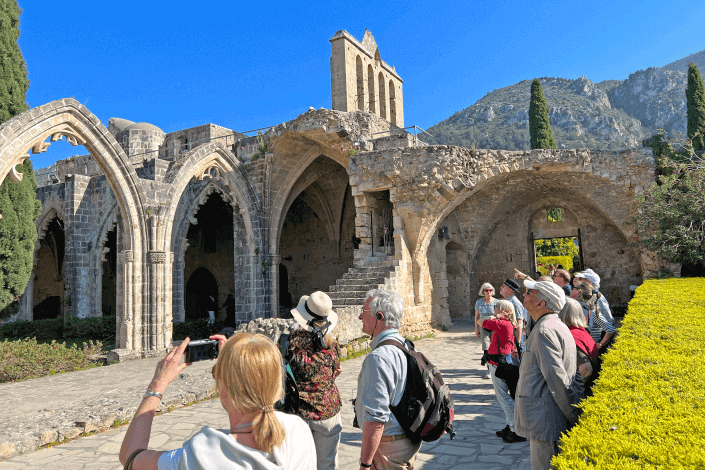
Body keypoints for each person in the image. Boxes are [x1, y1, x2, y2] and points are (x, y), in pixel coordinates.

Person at [119, 333, 316, 470]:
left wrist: (158, 384)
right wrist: (237, 363)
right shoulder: (298, 430)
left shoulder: (202, 455)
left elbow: (131, 458)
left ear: (224, 390)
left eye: (217, 376)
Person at [515, 280, 581, 470]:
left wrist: (574, 416)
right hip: (547, 419)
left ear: (540, 303)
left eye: (529, 293)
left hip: (547, 421)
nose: (524, 295)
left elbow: (557, 379)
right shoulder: (554, 325)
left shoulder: (545, 330)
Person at [355, 289, 421, 470]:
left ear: (379, 316)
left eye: (363, 311)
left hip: (388, 448)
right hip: (406, 442)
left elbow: (376, 420)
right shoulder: (405, 344)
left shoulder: (378, 358)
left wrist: (365, 464)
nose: (360, 317)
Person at [288, 291, 343, 470]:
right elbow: (333, 373)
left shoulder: (291, 343)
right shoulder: (333, 346)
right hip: (327, 411)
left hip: (299, 413)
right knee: (326, 465)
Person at [478, 299, 525, 443]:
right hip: (504, 361)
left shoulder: (501, 323)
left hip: (499, 364)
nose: (494, 309)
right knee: (507, 397)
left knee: (503, 397)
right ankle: (510, 425)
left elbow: (481, 321)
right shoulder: (508, 323)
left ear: (504, 310)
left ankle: (515, 429)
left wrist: (496, 317)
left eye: (497, 307)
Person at [559, 298, 599, 393]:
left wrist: (568, 391)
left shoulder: (571, 336)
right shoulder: (581, 331)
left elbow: (586, 371)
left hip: (582, 394)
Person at [576, 281, 617, 355]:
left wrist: (600, 344)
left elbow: (611, 330)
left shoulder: (592, 312)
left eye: (575, 288)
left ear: (580, 293)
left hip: (590, 349)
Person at [475, 282, 497, 379]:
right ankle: (489, 369)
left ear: (492, 291)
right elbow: (476, 316)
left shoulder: (496, 302)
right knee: (486, 347)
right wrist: (476, 329)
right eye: (486, 290)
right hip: (483, 326)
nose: (488, 292)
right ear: (483, 292)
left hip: (494, 327)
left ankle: (493, 369)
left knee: (493, 348)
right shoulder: (479, 302)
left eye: (490, 290)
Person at [499, 279, 525, 349]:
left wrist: (517, 345)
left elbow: (519, 324)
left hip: (512, 340)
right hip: (506, 339)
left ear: (509, 289)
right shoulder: (506, 301)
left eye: (503, 286)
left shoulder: (515, 303)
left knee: (514, 359)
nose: (501, 287)